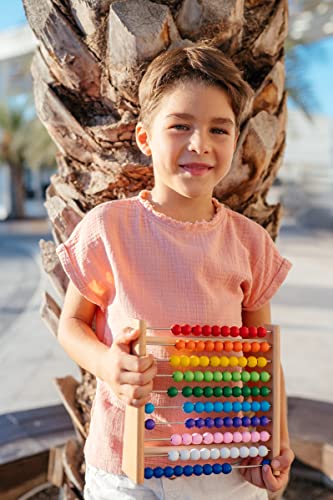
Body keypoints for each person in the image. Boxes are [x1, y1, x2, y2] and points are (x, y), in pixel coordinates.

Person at [57, 44, 294, 500]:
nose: (200, 143)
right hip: (128, 469)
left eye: (218, 129)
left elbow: (264, 359)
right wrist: (109, 364)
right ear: (145, 138)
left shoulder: (249, 242)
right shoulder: (108, 228)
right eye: (180, 126)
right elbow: (73, 325)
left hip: (227, 462)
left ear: (236, 139)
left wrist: (273, 447)